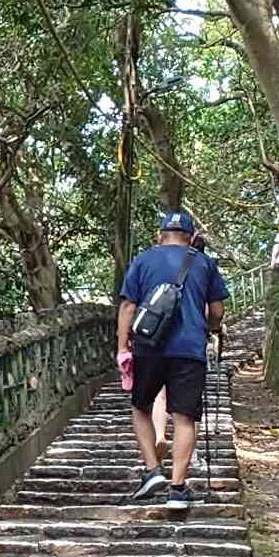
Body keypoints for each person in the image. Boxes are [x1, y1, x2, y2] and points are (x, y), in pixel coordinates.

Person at [112, 208, 229, 516]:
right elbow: (216, 311)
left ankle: (152, 469)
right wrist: (212, 329)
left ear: (160, 236)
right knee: (184, 418)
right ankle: (178, 489)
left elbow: (127, 307)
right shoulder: (204, 263)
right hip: (189, 349)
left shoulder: (143, 260)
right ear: (191, 238)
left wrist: (123, 346)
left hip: (148, 348)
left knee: (141, 407)